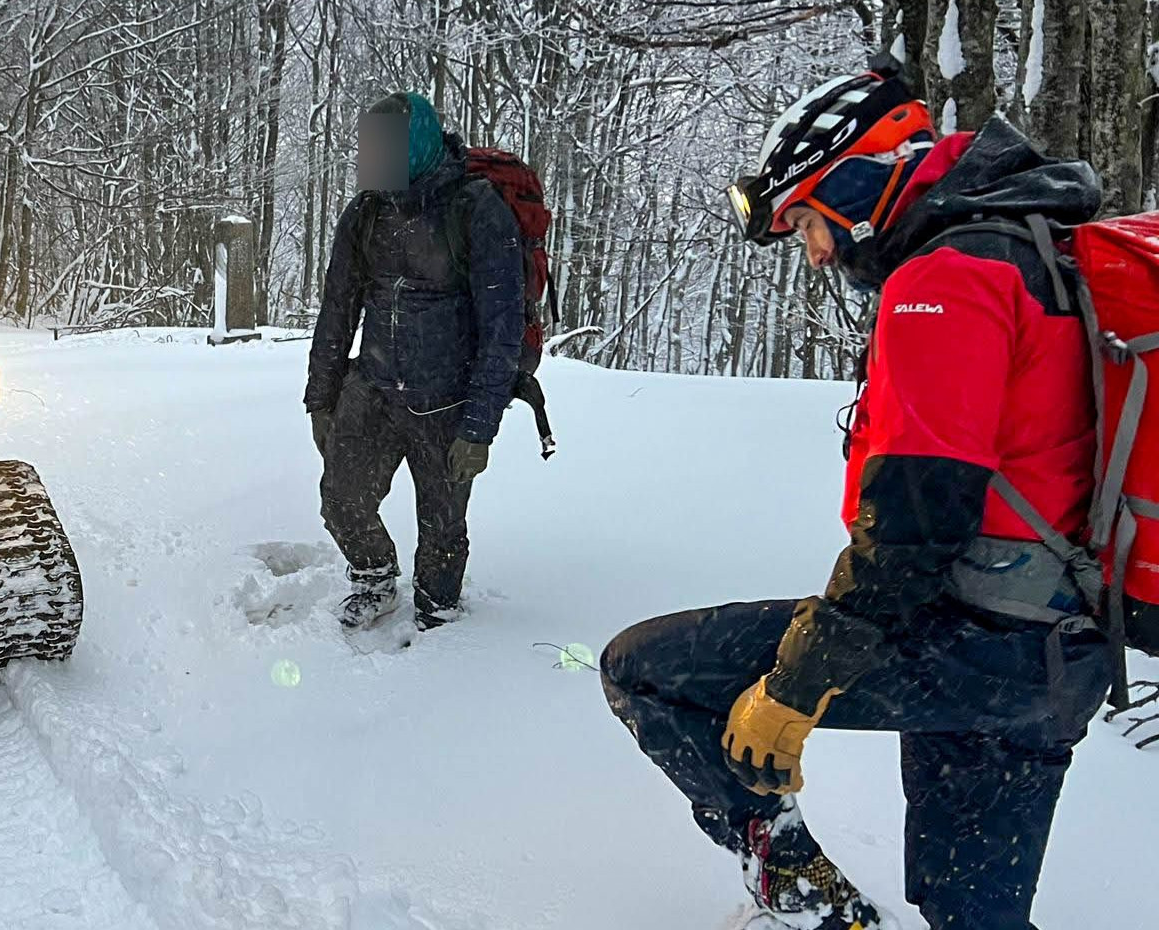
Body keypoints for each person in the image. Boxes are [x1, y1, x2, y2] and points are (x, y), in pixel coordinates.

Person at [600, 64, 1109, 930]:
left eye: (806, 220)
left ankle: (807, 904)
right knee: (975, 915)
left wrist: (795, 687)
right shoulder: (1040, 245)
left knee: (649, 671)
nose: (817, 252)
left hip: (977, 647)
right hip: (1064, 652)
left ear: (854, 178)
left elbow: (913, 524)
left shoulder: (945, 282)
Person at [303, 92, 525, 632]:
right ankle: (375, 576)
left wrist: (479, 427)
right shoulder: (366, 213)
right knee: (341, 498)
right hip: (373, 389)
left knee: (443, 525)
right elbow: (338, 310)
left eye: (386, 148)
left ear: (418, 145)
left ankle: (438, 612)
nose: (371, 160)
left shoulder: (477, 209)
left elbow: (503, 328)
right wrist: (321, 398)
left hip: (448, 399)